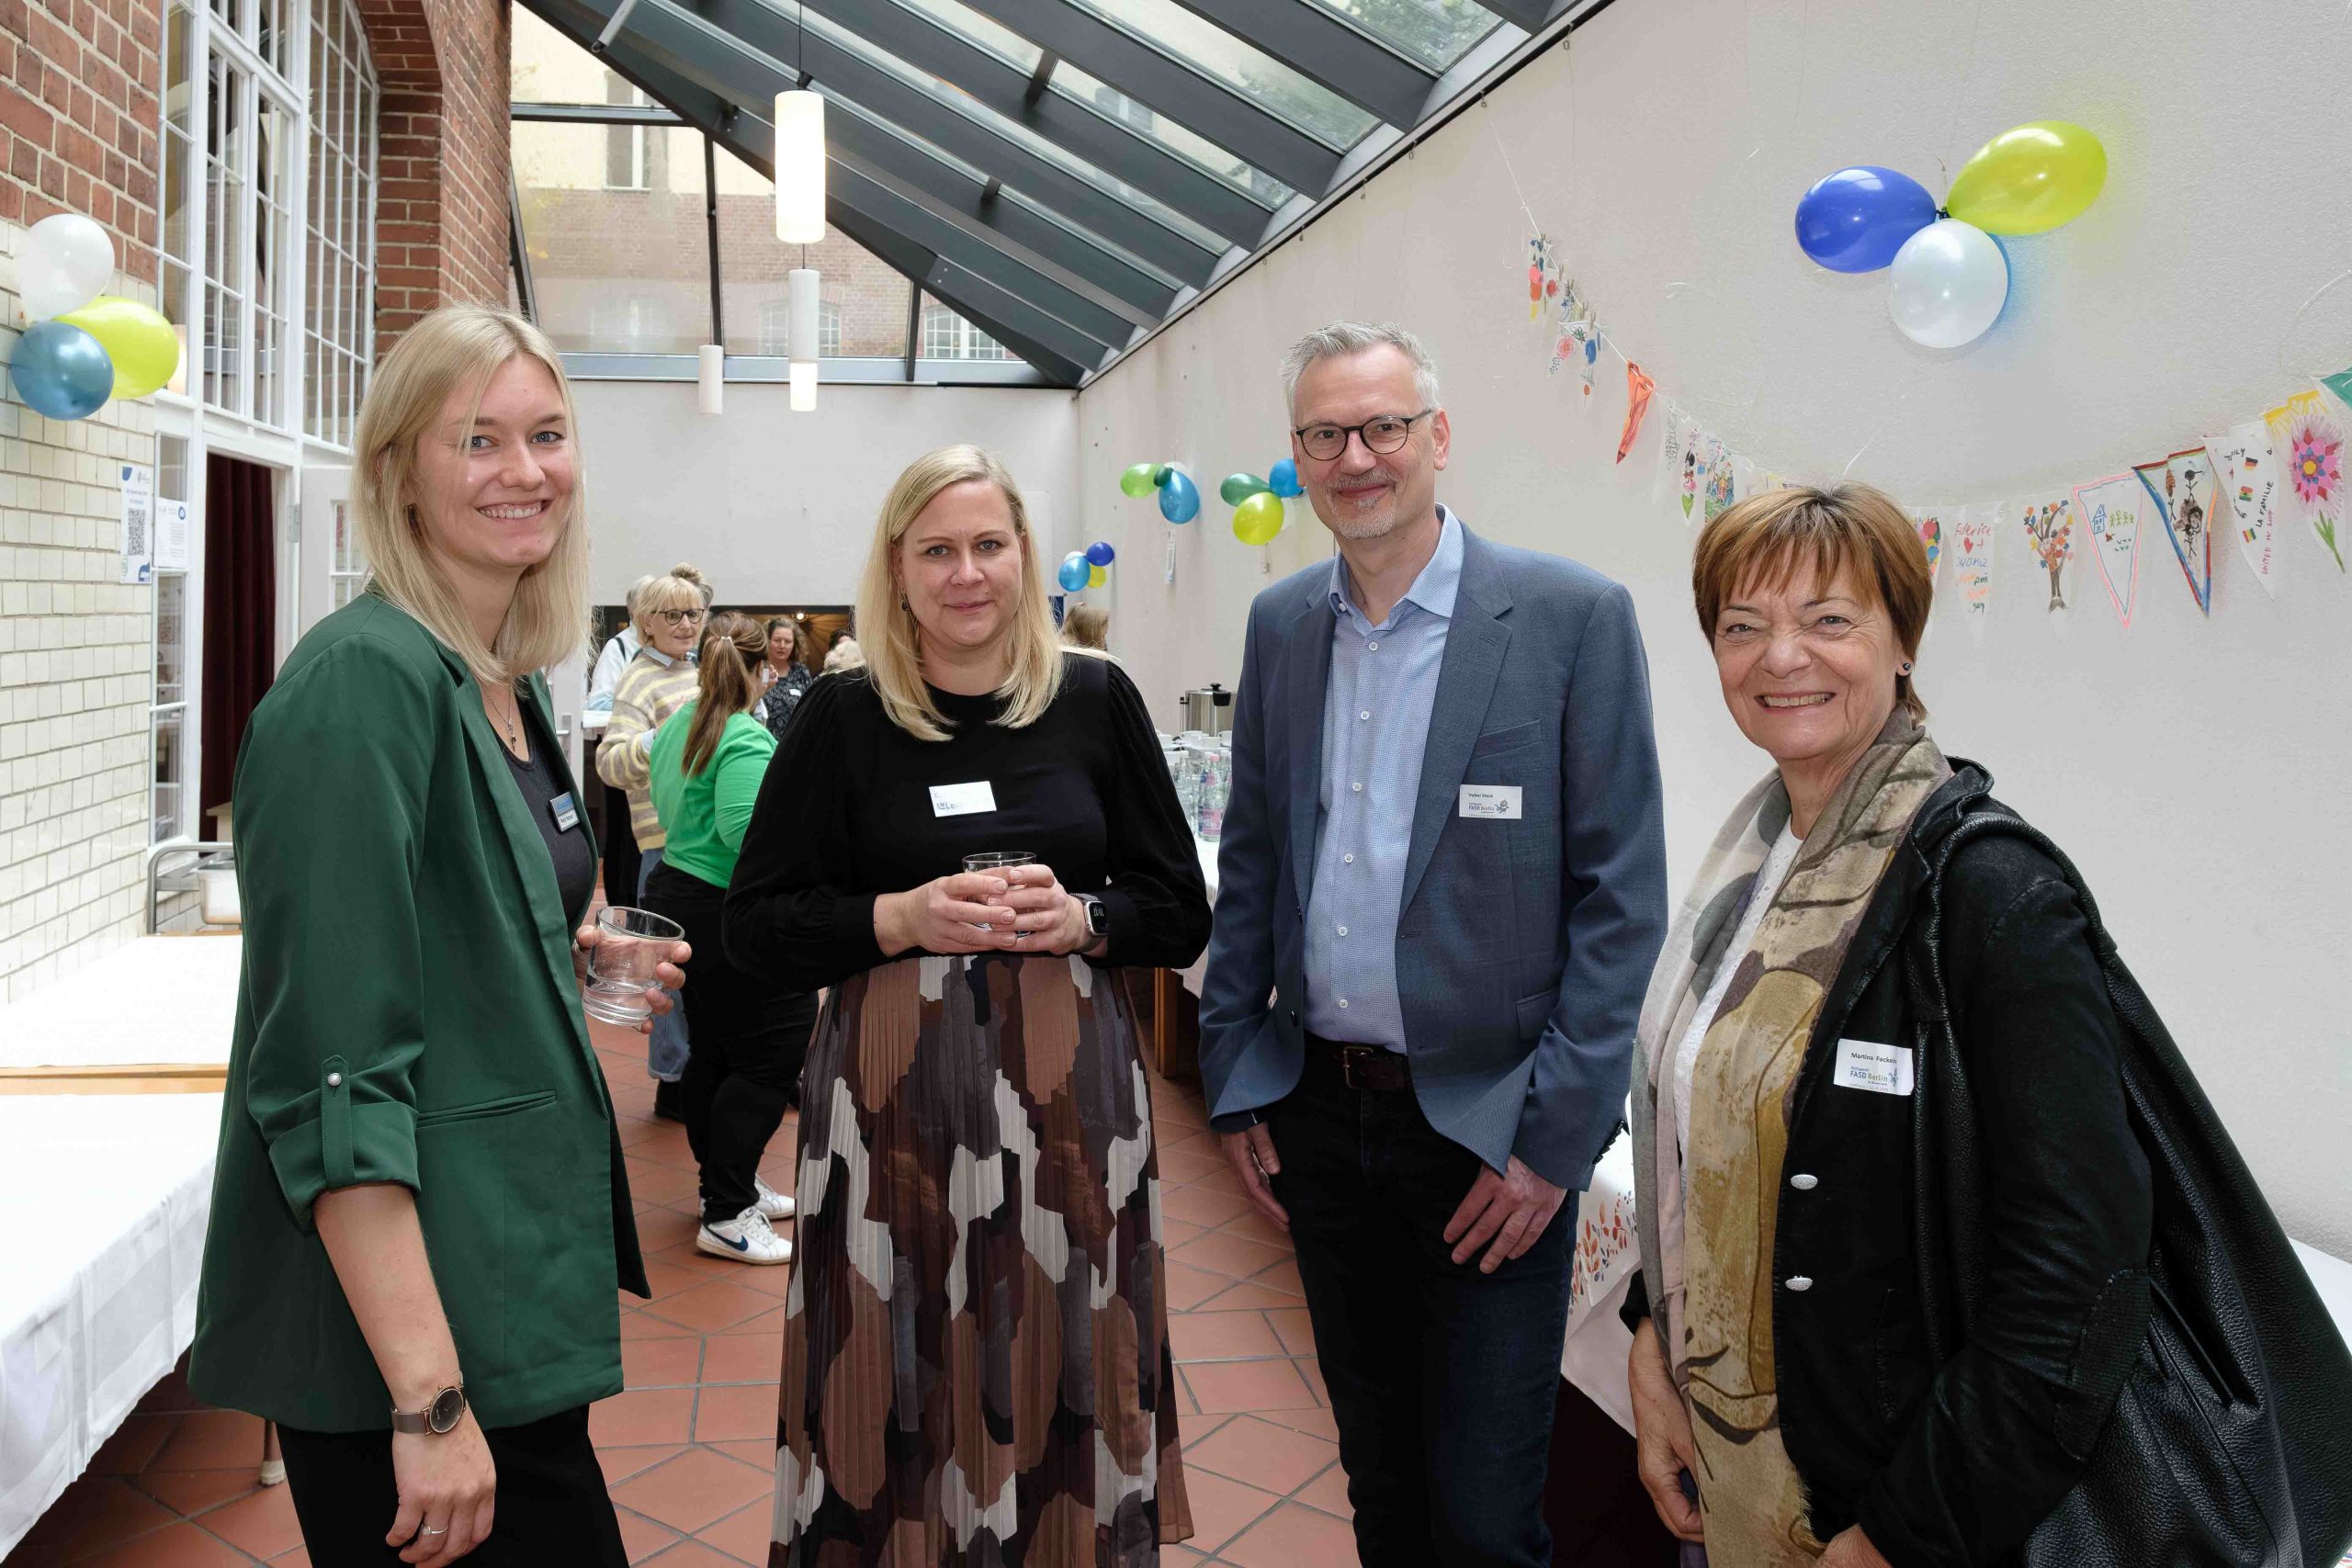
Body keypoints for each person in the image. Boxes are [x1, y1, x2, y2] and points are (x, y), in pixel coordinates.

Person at [187, 305, 688, 1564]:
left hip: (496, 1286)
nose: (525, 470)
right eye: (477, 439)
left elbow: (443, 923)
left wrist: (561, 953)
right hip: (413, 1347)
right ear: (398, 470)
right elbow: (330, 1071)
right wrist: (428, 1400)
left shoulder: (492, 673)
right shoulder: (362, 684)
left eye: (547, 434)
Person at [1196, 321, 1670, 1568]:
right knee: (1382, 1484)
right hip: (1319, 1118)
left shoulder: (1569, 618)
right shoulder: (1281, 625)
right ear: (1297, 454)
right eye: (1324, 435)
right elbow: (1255, 861)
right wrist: (1234, 1068)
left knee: (1484, 1515)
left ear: (1438, 436)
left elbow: (1622, 902)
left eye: (1383, 426)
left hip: (1488, 1140)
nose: (1355, 457)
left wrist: (1551, 1143)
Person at [1621, 485, 2153, 1568]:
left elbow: (2075, 1278)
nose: (1781, 657)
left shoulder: (1990, 893)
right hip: (1733, 1459)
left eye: (1828, 619)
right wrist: (1651, 1333)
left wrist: (1903, 1534)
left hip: (1887, 1498)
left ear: (1902, 642)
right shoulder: (1752, 867)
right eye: (1742, 625)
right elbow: (1707, 1133)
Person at [724, 444, 1210, 1563]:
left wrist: (1086, 918)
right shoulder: (842, 716)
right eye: (936, 550)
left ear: (1025, 554)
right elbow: (754, 927)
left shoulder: (1096, 698)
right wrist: (896, 918)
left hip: (1071, 1113)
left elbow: (1179, 910)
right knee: (886, 1357)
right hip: (886, 1115)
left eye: (989, 544)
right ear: (896, 568)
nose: (966, 573)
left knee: (1066, 1346)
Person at [642, 611, 814, 1266]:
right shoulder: (741, 735)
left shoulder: (680, 725)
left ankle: (728, 1182)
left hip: (682, 894)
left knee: (715, 1046)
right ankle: (725, 1210)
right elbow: (746, 835)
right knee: (776, 1044)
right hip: (724, 908)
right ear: (761, 669)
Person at [596, 562, 708, 1119]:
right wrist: (660, 738)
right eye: (674, 615)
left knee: (696, 962)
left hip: (702, 836)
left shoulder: (696, 670)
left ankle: (697, 1072)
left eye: (694, 613)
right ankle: (673, 1081)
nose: (687, 624)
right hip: (665, 842)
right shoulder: (639, 678)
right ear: (646, 623)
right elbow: (610, 763)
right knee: (667, 967)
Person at [584, 574, 653, 711]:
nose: (652, 612)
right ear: (631, 611)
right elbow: (599, 703)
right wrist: (648, 707)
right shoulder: (617, 648)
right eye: (646, 604)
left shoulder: (668, 645)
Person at [752, 615, 815, 741]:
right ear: (768, 641)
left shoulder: (800, 671)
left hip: (794, 743)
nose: (782, 645)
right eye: (777, 640)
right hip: (762, 740)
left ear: (794, 644)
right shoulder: (759, 669)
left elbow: (811, 709)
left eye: (787, 641)